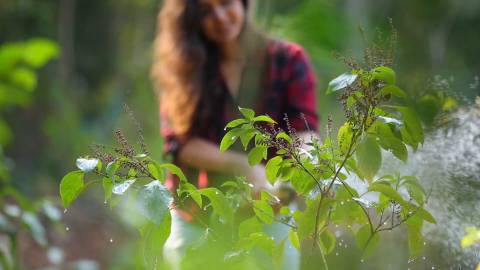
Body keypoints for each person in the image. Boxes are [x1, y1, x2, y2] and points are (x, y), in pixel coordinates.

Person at [150, 0, 319, 269]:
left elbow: (304, 130)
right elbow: (180, 143)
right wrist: (243, 167)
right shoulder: (184, 66)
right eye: (206, 11)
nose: (220, 17)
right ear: (191, 20)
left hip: (271, 211)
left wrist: (304, 169)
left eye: (226, 3)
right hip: (199, 215)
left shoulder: (288, 61)